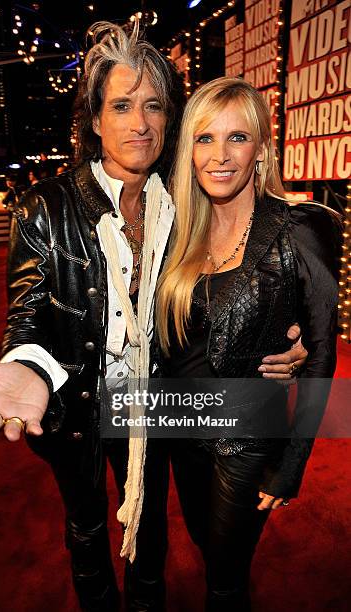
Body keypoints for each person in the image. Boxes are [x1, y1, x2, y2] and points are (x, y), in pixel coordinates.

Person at [0, 24, 307, 612]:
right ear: (93, 120)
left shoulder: (185, 198)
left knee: (153, 538)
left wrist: (284, 347)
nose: (139, 123)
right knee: (87, 530)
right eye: (120, 105)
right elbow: (30, 308)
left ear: (170, 120)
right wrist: (29, 367)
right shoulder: (47, 205)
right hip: (78, 400)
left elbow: (221, 288)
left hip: (158, 398)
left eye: (154, 105)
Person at [155, 77, 341, 611]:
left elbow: (321, 352)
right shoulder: (173, 229)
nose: (219, 155)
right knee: (204, 549)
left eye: (237, 137)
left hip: (248, 437)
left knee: (225, 580)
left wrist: (293, 464)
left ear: (260, 148)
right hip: (180, 426)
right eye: (205, 138)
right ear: (188, 148)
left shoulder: (301, 227)